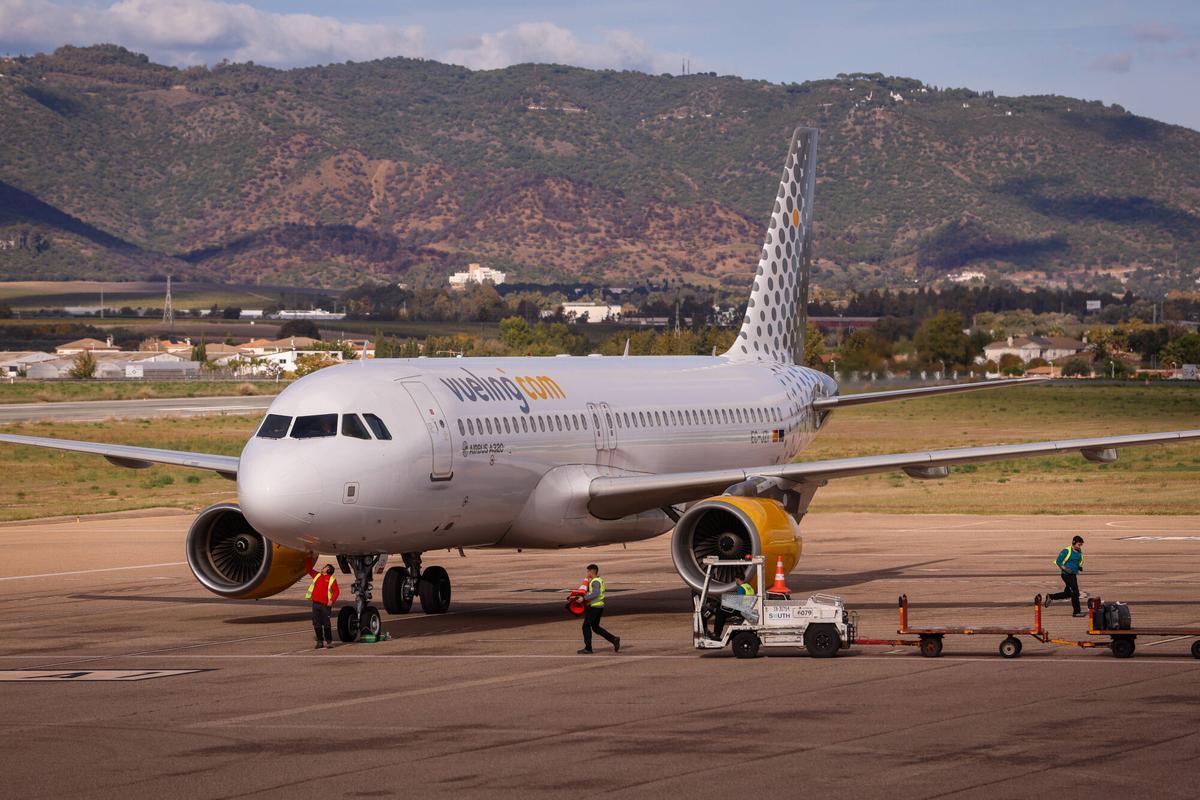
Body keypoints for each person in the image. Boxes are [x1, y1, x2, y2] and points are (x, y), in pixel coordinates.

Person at [578, 564, 620, 654]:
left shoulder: (595, 581)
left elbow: (596, 593)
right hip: (599, 606)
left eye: (588, 571)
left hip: (594, 607)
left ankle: (588, 648)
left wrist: (584, 598)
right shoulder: (599, 580)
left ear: (591, 572)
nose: (587, 573)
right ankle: (614, 639)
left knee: (586, 626)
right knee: (596, 628)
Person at [1044, 536, 1085, 617]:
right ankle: (1076, 612)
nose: (1080, 546)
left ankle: (1051, 597)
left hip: (1073, 575)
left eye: (1081, 545)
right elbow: (1058, 561)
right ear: (1073, 543)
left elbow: (1079, 560)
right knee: (1075, 593)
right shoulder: (1066, 551)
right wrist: (1065, 569)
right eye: (1078, 544)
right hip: (1066, 575)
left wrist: (1079, 566)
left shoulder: (1078, 551)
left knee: (1068, 593)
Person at [305, 558, 340, 648]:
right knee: (316, 623)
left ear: (328, 570)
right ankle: (320, 641)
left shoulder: (331, 579)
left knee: (326, 623)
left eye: (325, 567)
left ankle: (329, 642)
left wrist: (331, 600)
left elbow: (336, 591)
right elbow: (309, 569)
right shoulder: (317, 575)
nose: (323, 568)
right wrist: (307, 557)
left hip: (325, 605)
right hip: (316, 604)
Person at [711, 574, 755, 640]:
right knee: (723, 610)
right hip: (747, 609)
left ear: (737, 579)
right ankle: (717, 634)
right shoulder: (749, 587)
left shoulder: (741, 588)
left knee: (720, 612)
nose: (736, 582)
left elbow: (738, 602)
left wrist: (727, 603)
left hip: (741, 610)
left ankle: (716, 634)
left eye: (735, 580)